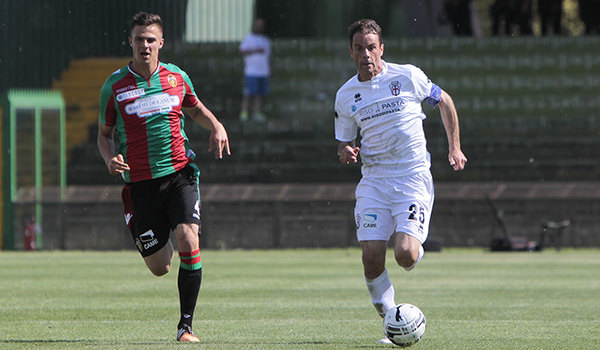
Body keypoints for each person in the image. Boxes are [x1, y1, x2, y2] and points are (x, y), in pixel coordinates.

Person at [97, 12, 230, 343]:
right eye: (139, 39)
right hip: (140, 185)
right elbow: (104, 134)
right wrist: (109, 158)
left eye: (151, 39)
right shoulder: (114, 86)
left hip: (179, 175)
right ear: (130, 42)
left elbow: (195, 108)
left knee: (189, 238)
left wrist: (216, 125)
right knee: (160, 267)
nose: (145, 44)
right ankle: (153, 231)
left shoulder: (176, 77)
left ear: (161, 43)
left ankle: (185, 326)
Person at [334, 19, 467, 343]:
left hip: (411, 177)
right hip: (375, 181)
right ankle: (393, 323)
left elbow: (445, 101)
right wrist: (346, 152)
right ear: (351, 52)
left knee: (405, 255)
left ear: (382, 48)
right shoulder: (345, 95)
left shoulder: (407, 76)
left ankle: (415, 249)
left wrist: (455, 147)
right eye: (359, 48)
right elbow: (344, 143)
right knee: (370, 257)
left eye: (371, 47)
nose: (366, 54)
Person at [239, 18, 271, 123]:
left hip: (263, 71)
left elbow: (268, 57)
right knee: (248, 93)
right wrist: (256, 50)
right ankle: (244, 112)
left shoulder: (266, 40)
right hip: (251, 71)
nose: (259, 27)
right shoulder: (248, 38)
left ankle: (257, 112)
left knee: (259, 94)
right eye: (258, 25)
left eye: (261, 25)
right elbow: (242, 51)